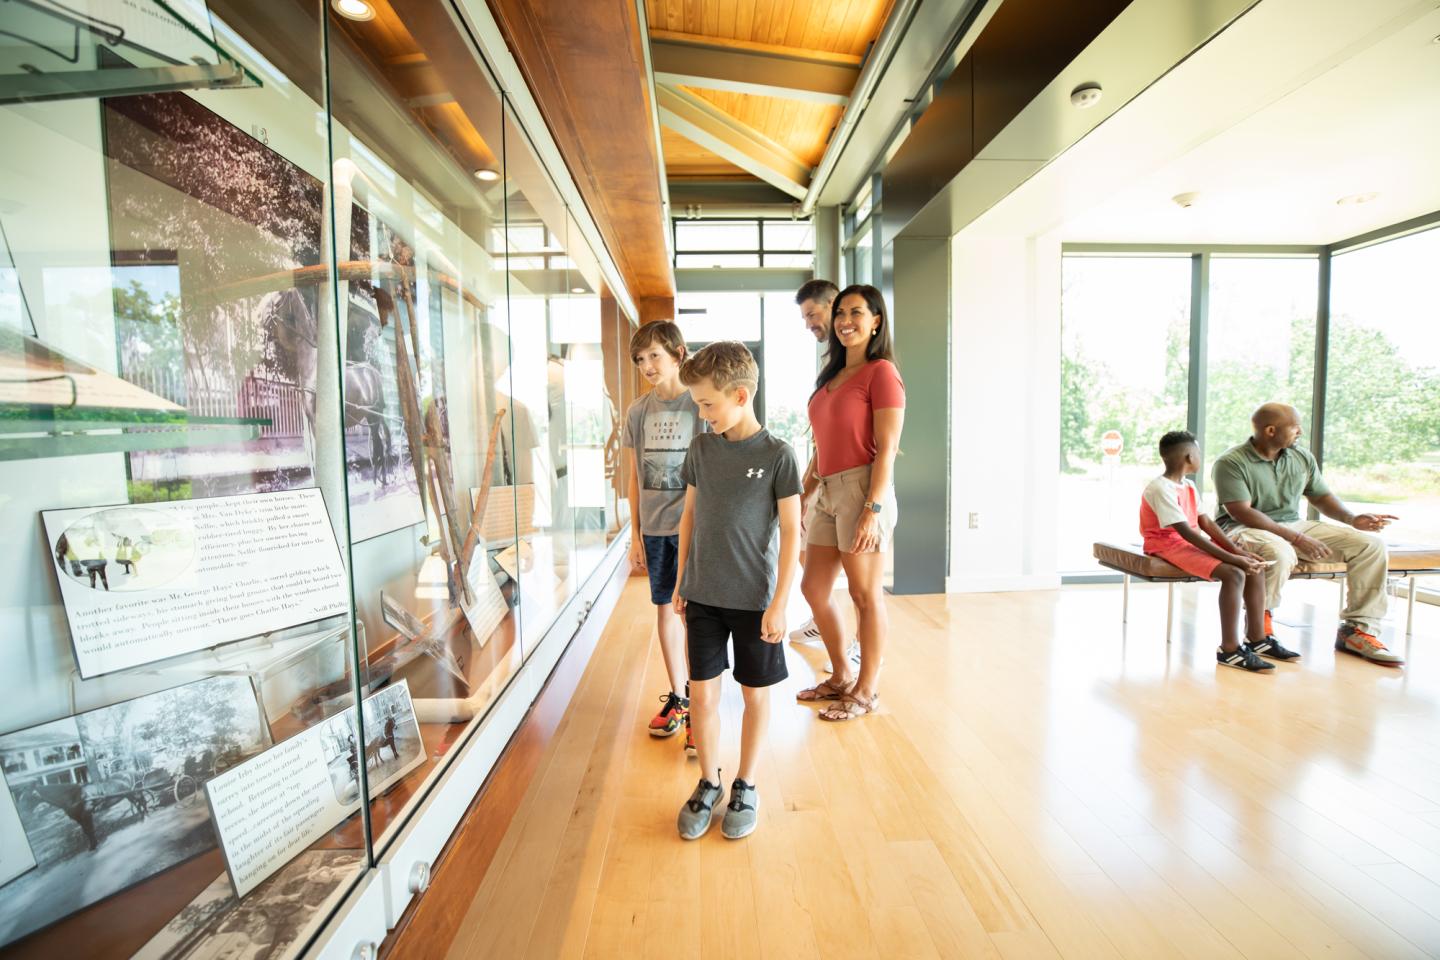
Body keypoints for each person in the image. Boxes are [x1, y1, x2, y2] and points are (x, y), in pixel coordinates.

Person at [672, 341, 801, 840]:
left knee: (754, 695)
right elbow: (689, 516)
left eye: (707, 404)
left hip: (754, 602)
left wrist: (781, 602)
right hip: (703, 595)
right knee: (702, 696)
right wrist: (684, 578)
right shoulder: (702, 449)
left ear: (740, 395)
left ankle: (746, 783)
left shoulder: (777, 456)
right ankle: (709, 781)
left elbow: (792, 531)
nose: (702, 416)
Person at [1214, 402, 1401, 665]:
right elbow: (1241, 512)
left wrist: (1351, 518)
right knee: (1277, 550)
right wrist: (1297, 538)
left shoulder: (1300, 457)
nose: (1300, 432)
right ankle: (1260, 629)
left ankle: (1356, 631)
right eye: (1295, 427)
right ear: (1270, 430)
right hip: (1243, 528)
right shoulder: (1231, 462)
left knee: (1370, 546)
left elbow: (1321, 496)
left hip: (1293, 524)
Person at [797, 284, 904, 721]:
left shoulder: (881, 373)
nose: (846, 321)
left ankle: (867, 689)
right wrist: (801, 497)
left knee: (864, 595)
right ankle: (841, 675)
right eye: (841, 312)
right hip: (826, 491)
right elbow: (821, 446)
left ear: (876, 320)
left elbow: (888, 446)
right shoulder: (832, 377)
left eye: (857, 313)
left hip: (863, 490)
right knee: (813, 588)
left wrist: (872, 509)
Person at [1142, 431, 1286, 672]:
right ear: (1189, 456)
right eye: (1198, 452)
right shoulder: (1160, 488)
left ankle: (1257, 639)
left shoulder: (1187, 486)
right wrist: (1232, 558)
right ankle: (1229, 650)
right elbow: (1186, 533)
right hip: (1165, 543)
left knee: (1253, 567)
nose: (1200, 457)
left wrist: (1239, 552)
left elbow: (1206, 524)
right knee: (1235, 573)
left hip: (1185, 540)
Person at [622, 321, 703, 750]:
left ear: (678, 352)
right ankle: (681, 697)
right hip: (654, 529)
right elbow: (634, 477)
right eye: (640, 358)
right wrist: (634, 534)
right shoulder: (638, 412)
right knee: (664, 612)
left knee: (694, 616)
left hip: (695, 527)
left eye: (655, 355)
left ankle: (701, 705)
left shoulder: (700, 404)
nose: (647, 365)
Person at [787, 279, 856, 668]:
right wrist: (805, 489)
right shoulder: (832, 364)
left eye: (813, 315)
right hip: (827, 480)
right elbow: (824, 439)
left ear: (835, 307)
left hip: (856, 483)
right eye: (805, 317)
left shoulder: (862, 364)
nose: (809, 324)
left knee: (862, 584)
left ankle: (859, 646)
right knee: (813, 572)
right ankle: (824, 619)